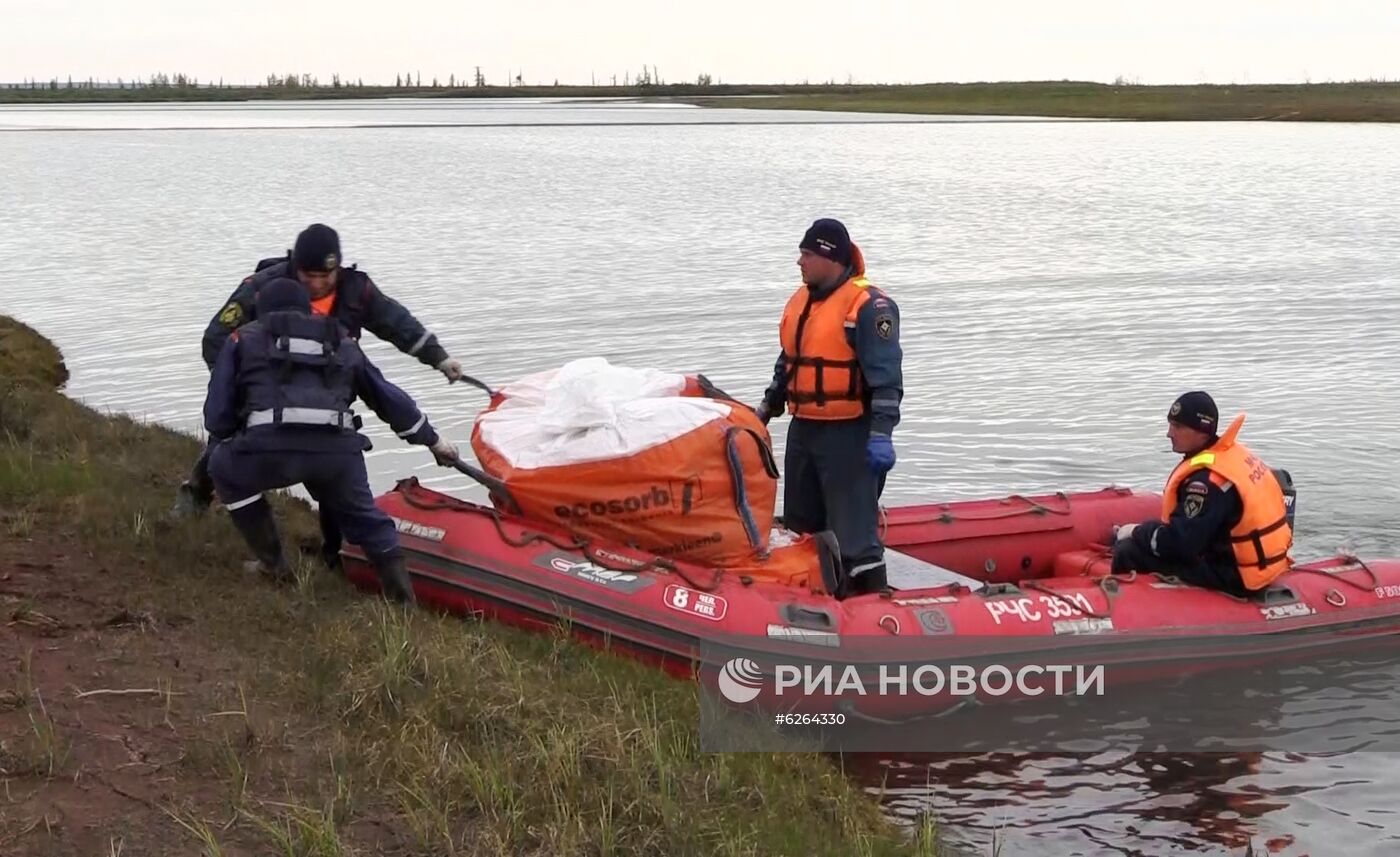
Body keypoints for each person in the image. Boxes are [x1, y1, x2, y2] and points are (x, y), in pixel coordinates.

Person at [174, 223, 466, 565]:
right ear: (294, 267)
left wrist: (438, 358)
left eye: (324, 276)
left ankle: (334, 553)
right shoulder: (263, 287)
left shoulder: (357, 292)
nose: (316, 284)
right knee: (223, 441)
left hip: (326, 396)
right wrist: (237, 388)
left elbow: (397, 323)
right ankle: (196, 493)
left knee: (335, 465)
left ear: (338, 268)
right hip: (263, 391)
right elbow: (216, 337)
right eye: (307, 275)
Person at [202, 277, 460, 604]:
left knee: (223, 467)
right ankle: (403, 602)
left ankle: (275, 565)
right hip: (336, 455)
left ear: (262, 311)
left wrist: (236, 433)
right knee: (366, 518)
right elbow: (387, 398)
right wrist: (432, 440)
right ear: (307, 309)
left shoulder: (241, 338)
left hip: (266, 451)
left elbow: (217, 417)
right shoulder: (342, 340)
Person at [754, 218, 903, 598]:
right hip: (805, 430)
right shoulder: (803, 302)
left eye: (806, 254)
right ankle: (809, 602)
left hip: (849, 434)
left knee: (854, 532)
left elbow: (886, 380)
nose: (799, 262)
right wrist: (767, 408)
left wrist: (881, 435)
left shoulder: (870, 307)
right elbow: (790, 360)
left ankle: (871, 609)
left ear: (829, 257)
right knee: (800, 525)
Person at [1112, 391, 1293, 596]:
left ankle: (1126, 610)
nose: (1169, 433)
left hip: (1234, 575)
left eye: (1178, 427)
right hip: (1262, 565)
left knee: (1128, 551)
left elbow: (1179, 545)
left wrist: (1137, 532)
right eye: (1170, 424)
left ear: (1202, 431)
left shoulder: (1207, 483)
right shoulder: (1232, 456)